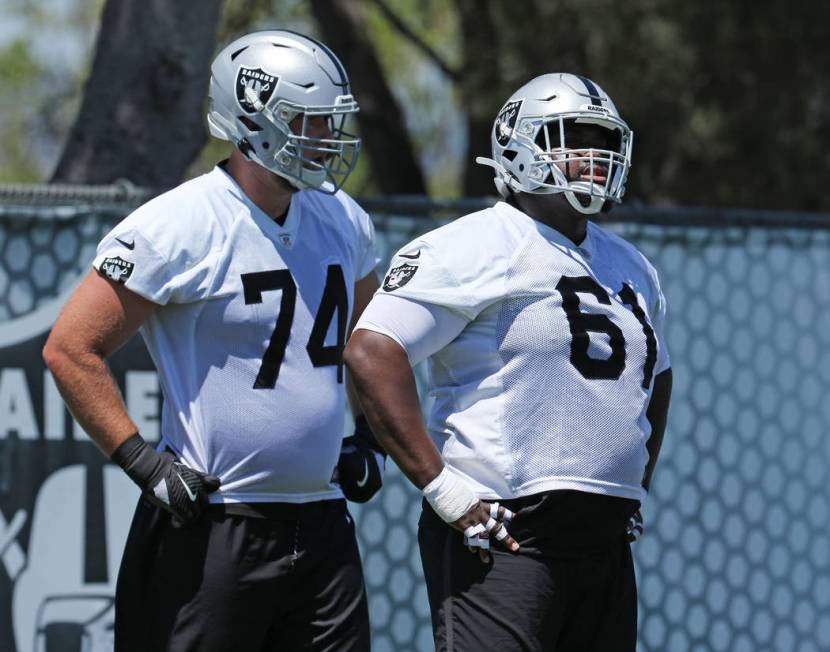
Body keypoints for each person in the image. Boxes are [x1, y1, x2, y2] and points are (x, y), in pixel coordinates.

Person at [42, 30, 387, 651]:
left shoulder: (343, 218)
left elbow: (368, 344)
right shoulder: (181, 223)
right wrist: (144, 465)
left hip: (322, 519)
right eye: (307, 122)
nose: (324, 139)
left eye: (327, 122)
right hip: (215, 524)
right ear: (253, 121)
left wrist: (368, 436)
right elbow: (70, 348)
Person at [344, 73, 672, 651]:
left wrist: (632, 481)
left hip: (601, 539)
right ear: (521, 145)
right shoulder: (477, 243)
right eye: (575, 137)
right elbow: (373, 352)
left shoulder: (631, 264)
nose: (594, 157)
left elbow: (656, 376)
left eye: (603, 139)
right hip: (503, 533)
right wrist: (441, 486)